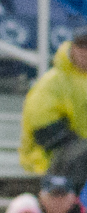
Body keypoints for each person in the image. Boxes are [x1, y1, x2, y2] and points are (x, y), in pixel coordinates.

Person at [21, 29, 87, 181]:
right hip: (49, 155)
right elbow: (44, 129)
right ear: (72, 47)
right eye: (80, 46)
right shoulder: (53, 81)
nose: (84, 52)